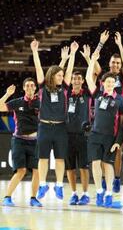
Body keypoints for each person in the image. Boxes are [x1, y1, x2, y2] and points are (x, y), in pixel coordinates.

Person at [32, 40, 77, 201]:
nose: (62, 77)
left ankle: (59, 185)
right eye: (59, 75)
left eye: (62, 75)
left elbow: (69, 70)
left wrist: (72, 54)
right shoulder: (43, 86)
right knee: (43, 158)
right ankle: (43, 184)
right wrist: (35, 52)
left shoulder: (64, 88)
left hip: (60, 128)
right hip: (44, 127)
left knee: (59, 158)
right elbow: (38, 68)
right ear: (52, 76)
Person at [85, 51, 123, 207]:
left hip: (110, 136)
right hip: (95, 134)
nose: (109, 84)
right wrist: (92, 60)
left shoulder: (120, 100)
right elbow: (89, 78)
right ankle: (100, 191)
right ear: (103, 84)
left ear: (114, 84)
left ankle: (109, 193)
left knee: (107, 164)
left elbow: (122, 122)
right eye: (106, 82)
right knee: (95, 163)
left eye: (111, 82)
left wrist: (118, 140)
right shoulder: (98, 94)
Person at [0, 80, 42, 207]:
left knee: (37, 170)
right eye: (27, 85)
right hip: (19, 140)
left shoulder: (40, 103)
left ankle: (33, 198)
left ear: (35, 88)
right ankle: (7, 197)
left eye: (32, 85)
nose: (30, 87)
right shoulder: (17, 102)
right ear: (24, 88)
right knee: (21, 170)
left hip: (35, 141)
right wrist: (7, 94)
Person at [65, 70, 92, 206]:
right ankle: (74, 193)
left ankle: (86, 194)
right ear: (70, 81)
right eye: (73, 78)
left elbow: (93, 75)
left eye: (78, 78)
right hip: (67, 136)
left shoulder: (87, 94)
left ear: (82, 81)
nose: (76, 81)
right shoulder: (66, 94)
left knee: (83, 166)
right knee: (70, 167)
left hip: (83, 136)